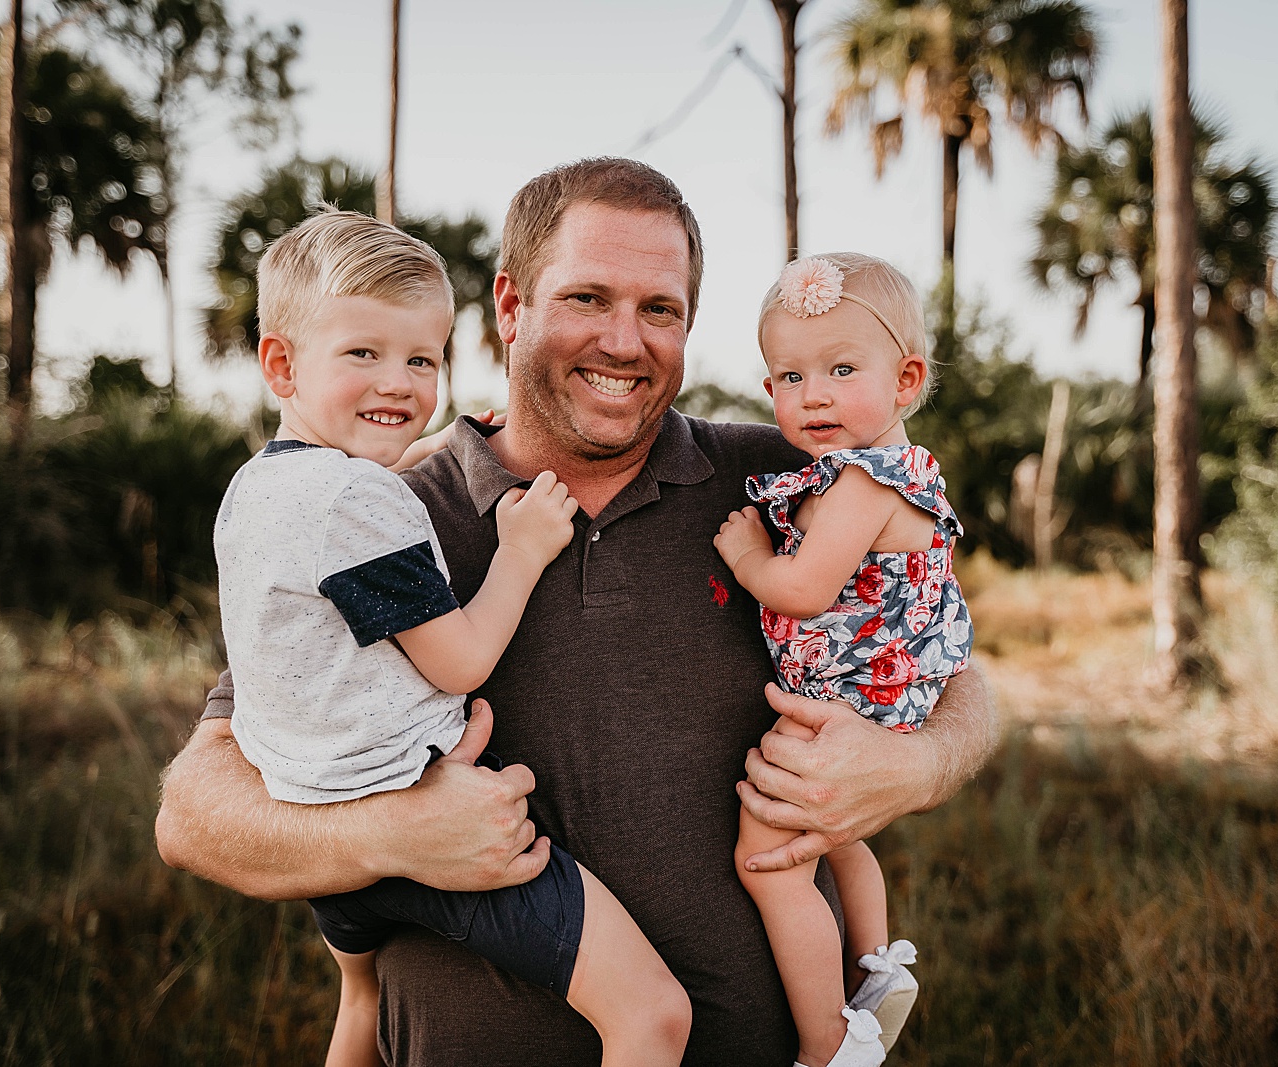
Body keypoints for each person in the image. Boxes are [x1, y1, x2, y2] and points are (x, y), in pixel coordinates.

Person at [155, 157, 1001, 1067]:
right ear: (511, 306)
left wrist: (913, 764)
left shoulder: (785, 484)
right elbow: (196, 813)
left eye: (660, 310)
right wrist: (391, 832)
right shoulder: (383, 510)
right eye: (589, 298)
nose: (626, 342)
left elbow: (954, 668)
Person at [213, 208, 690, 1067]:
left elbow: (334, 533)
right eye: (364, 354)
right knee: (652, 1017)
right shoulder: (360, 504)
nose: (398, 383)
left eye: (421, 360)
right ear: (281, 363)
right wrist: (521, 549)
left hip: (326, 850)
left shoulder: (258, 489)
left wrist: (411, 447)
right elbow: (463, 657)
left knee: (360, 1007)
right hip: (418, 815)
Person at [714, 253, 972, 1067]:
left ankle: (829, 1037)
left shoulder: (861, 482)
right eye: (790, 375)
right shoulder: (887, 469)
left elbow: (805, 589)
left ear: (906, 379)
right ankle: (876, 965)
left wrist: (750, 554)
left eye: (841, 369)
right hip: (879, 691)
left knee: (767, 855)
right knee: (837, 837)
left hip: (853, 704)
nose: (813, 393)